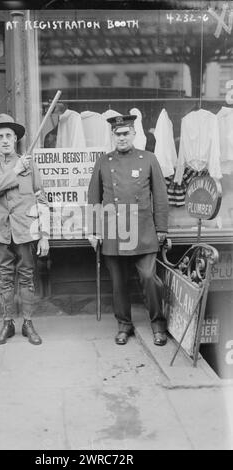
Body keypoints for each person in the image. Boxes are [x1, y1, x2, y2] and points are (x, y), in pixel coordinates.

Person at [87, 114, 169, 346]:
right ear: (112, 136)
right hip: (113, 231)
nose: (121, 138)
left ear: (134, 134)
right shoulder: (104, 161)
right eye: (117, 134)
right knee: (118, 282)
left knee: (148, 278)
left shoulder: (149, 159)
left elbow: (161, 197)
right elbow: (94, 197)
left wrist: (162, 228)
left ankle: (158, 324)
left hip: (142, 230)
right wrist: (94, 230)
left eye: (125, 133)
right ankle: (124, 325)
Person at [0, 114, 50, 346]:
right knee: (5, 278)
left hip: (25, 229)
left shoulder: (31, 167)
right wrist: (15, 170)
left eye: (9, 135)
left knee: (27, 276)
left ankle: (28, 323)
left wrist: (44, 235)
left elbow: (42, 200)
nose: (6, 140)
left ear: (16, 138)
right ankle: (7, 323)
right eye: (1, 136)